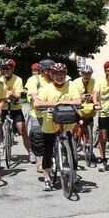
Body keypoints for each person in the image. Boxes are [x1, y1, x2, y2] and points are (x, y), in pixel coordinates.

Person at [34, 62, 82, 191]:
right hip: (50, 123)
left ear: (65, 75)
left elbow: (78, 100)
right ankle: (47, 178)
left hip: (66, 123)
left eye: (62, 74)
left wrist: (64, 102)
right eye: (56, 74)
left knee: (72, 151)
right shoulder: (47, 88)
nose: (59, 76)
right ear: (51, 75)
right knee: (48, 151)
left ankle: (74, 176)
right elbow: (37, 103)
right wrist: (54, 104)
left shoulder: (71, 85)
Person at [0, 59, 32, 162]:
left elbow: (18, 96)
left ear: (12, 68)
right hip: (3, 107)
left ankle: (30, 152)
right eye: (3, 68)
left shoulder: (18, 79)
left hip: (15, 107)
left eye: (7, 68)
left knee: (22, 129)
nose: (5, 70)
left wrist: (11, 94)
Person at [27, 58, 55, 172]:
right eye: (50, 70)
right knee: (38, 138)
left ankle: (51, 159)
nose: (52, 72)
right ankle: (39, 162)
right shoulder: (34, 80)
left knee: (51, 138)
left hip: (51, 114)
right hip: (37, 113)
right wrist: (39, 103)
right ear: (44, 71)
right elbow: (34, 96)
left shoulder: (55, 80)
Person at [71, 65, 97, 167]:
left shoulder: (94, 82)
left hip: (89, 107)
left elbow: (96, 93)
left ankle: (89, 149)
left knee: (89, 125)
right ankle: (72, 141)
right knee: (75, 125)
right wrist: (80, 97)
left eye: (89, 74)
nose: (87, 76)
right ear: (81, 74)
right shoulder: (75, 83)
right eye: (85, 74)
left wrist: (93, 96)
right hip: (78, 106)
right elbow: (72, 95)